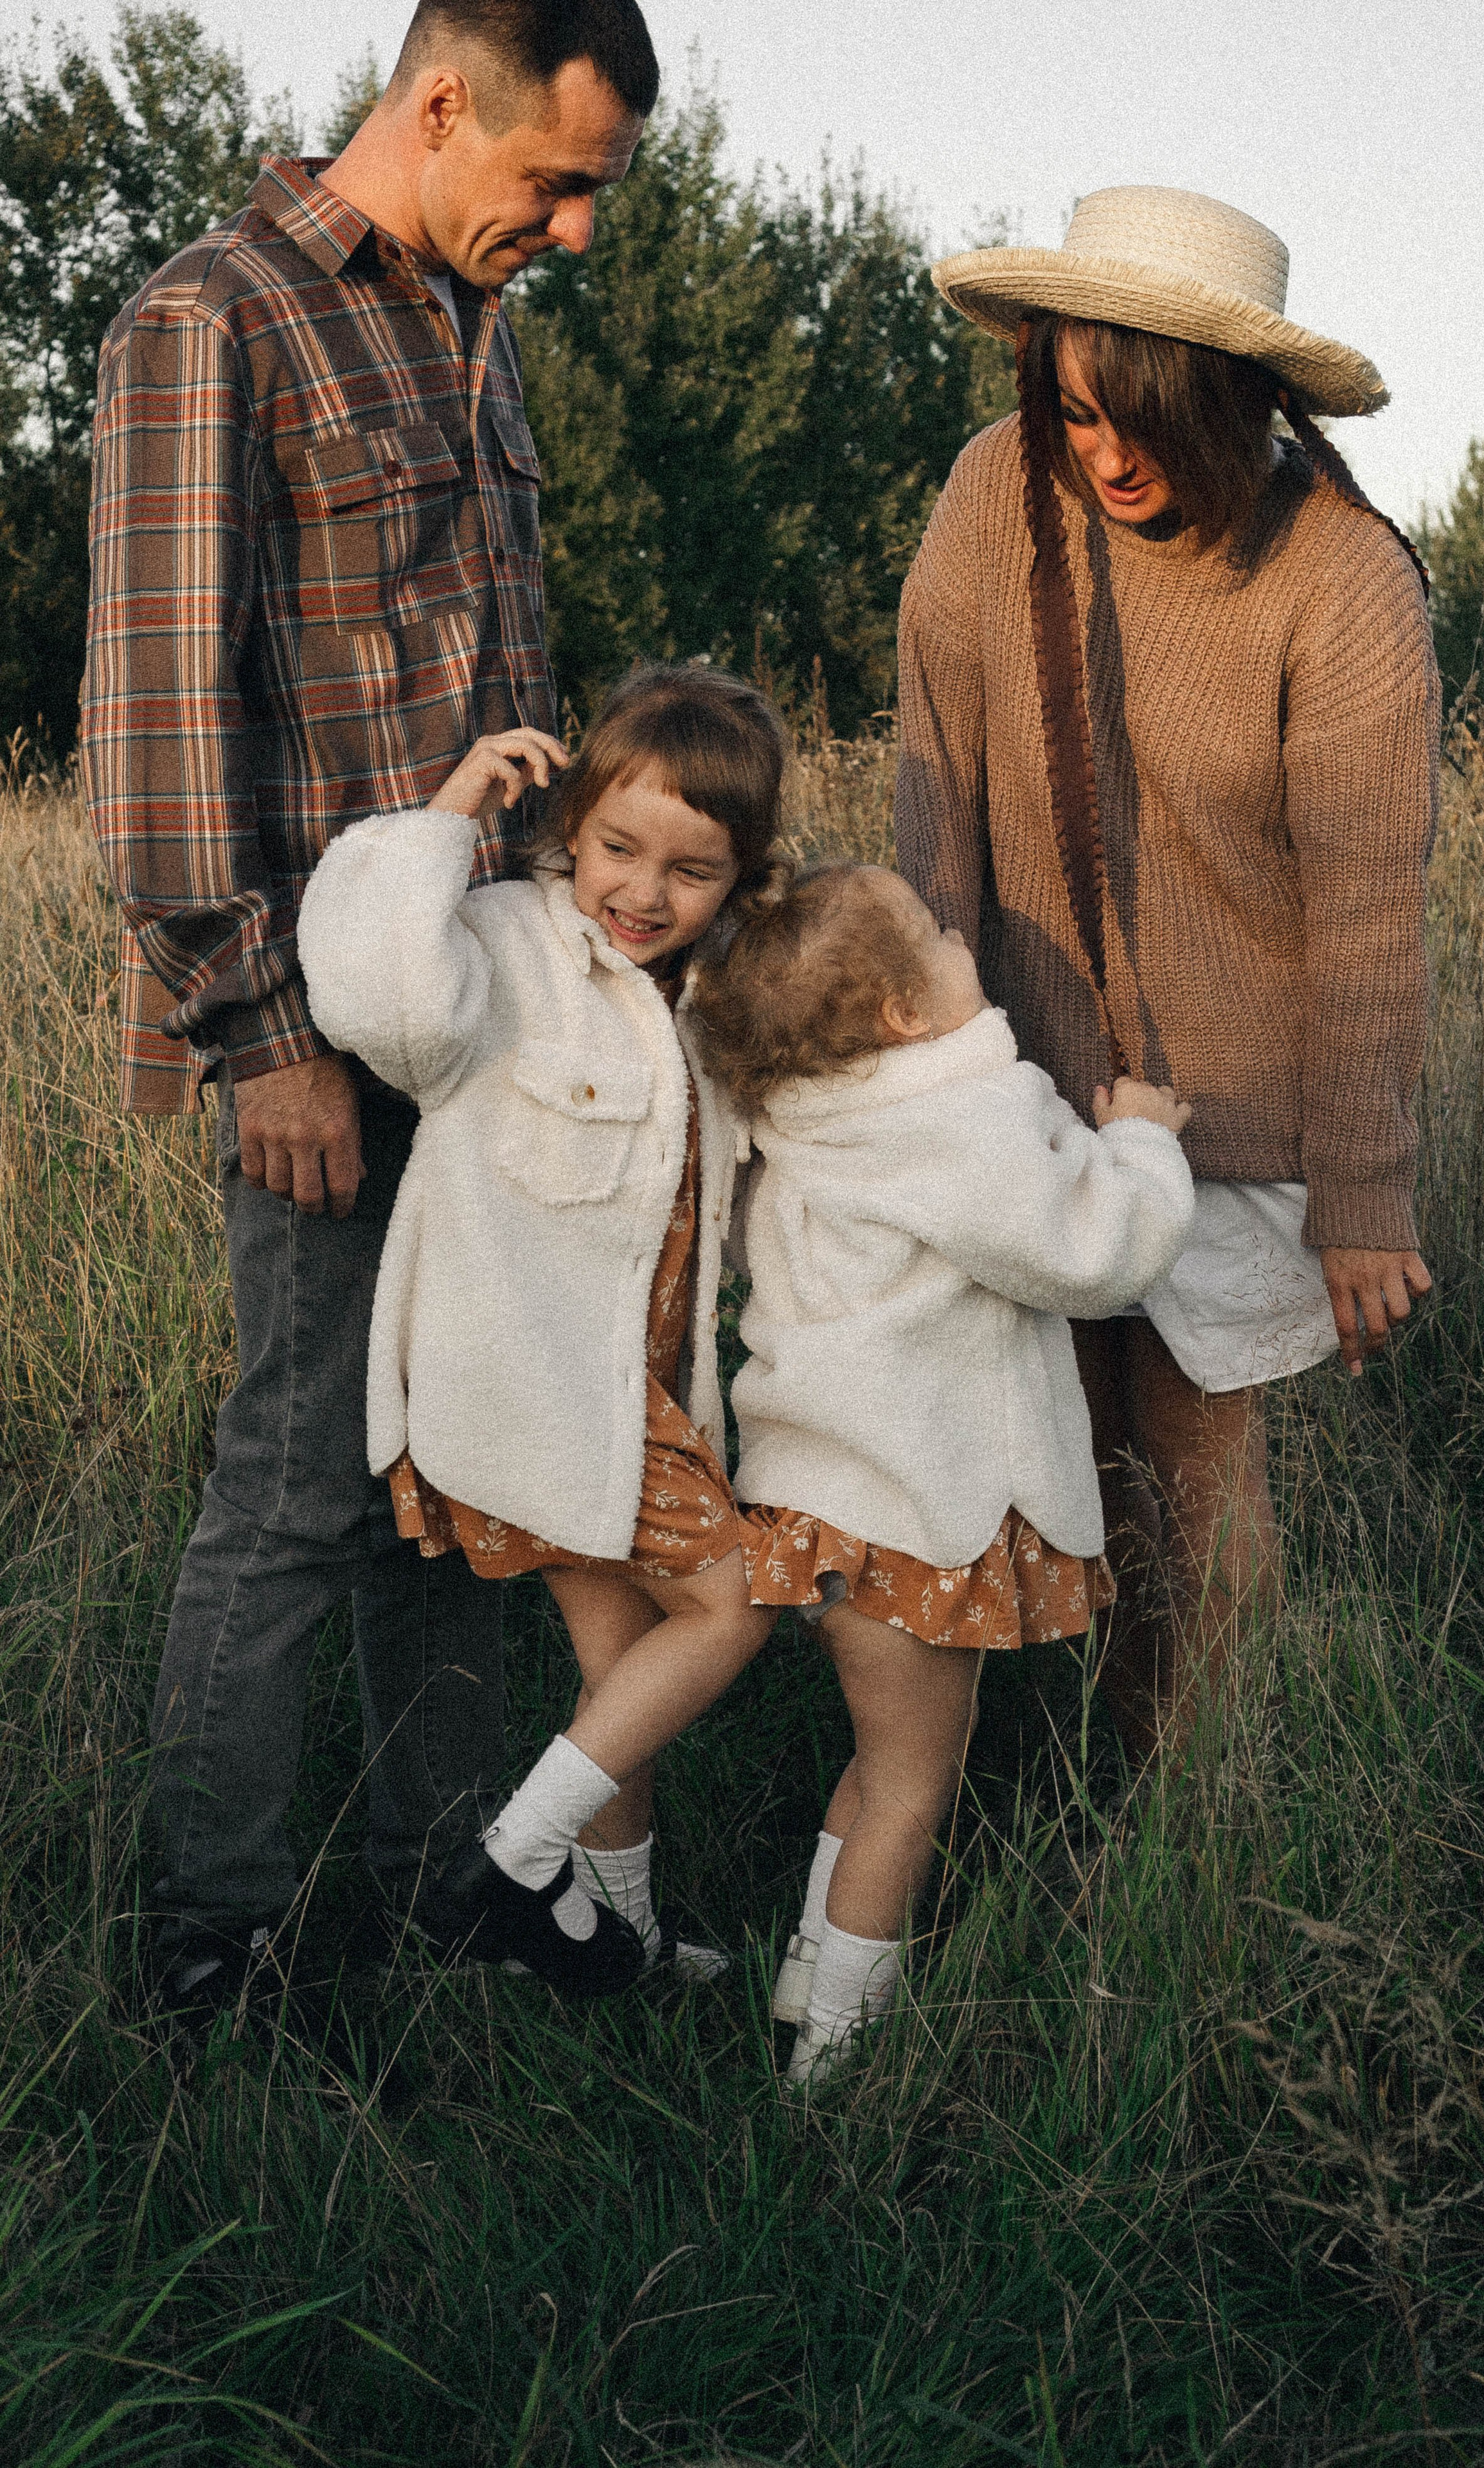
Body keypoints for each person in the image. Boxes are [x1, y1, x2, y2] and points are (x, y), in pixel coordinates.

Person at [80, 0, 659, 2017]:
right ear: (438, 104)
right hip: (319, 1042)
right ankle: (212, 1953)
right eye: (558, 180)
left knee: (457, 1487)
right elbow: (155, 740)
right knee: (298, 1494)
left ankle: (453, 1899)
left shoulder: (470, 338)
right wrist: (262, 1040)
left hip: (486, 1028)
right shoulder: (212, 321)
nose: (578, 231)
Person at [896, 186, 1441, 1772]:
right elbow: (934, 795)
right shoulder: (994, 494)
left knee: (1192, 1477)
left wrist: (1363, 1194)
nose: (1107, 456)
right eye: (1074, 410)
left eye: (1145, 420)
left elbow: (1364, 919)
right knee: (1045, 1467)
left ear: (1244, 404)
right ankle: (1030, 1803)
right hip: (1017, 1091)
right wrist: (924, 1077)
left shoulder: (1341, 582)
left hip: (1240, 1123)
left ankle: (1196, 1840)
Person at [297, 665, 787, 1993]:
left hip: (636, 1395)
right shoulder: (511, 942)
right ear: (569, 826)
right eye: (617, 848)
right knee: (734, 1604)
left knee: (622, 1662)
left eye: (690, 870)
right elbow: (378, 999)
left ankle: (610, 1943)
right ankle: (509, 1867)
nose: (641, 892)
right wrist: (450, 816)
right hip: (529, 1383)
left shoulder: (707, 997)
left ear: (739, 881)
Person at [688, 864, 1195, 2081]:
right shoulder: (949, 1119)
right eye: (940, 936)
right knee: (917, 1788)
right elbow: (1087, 1252)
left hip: (821, 1505)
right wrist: (1138, 1139)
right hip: (910, 1515)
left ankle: (810, 1977)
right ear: (908, 1017)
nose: (965, 936)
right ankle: (838, 2065)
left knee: (878, 1764)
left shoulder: (815, 1120)